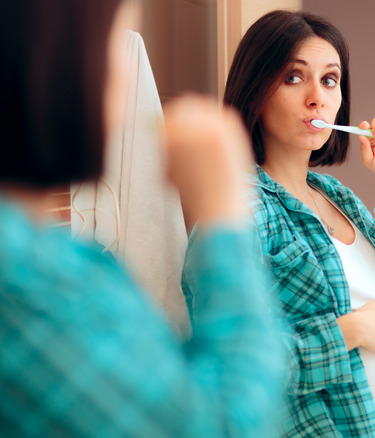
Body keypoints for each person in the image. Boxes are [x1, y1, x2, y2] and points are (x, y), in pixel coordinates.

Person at [0, 1, 285, 436]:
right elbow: (221, 425)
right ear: (57, 56)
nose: (128, 72)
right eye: (117, 42)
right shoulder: (25, 279)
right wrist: (222, 213)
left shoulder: (57, 263)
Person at [220, 10, 375, 437]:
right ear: (255, 91)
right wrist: (351, 330)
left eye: (330, 80)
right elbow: (235, 368)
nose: (318, 97)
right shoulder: (239, 210)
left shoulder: (338, 197)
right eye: (294, 77)